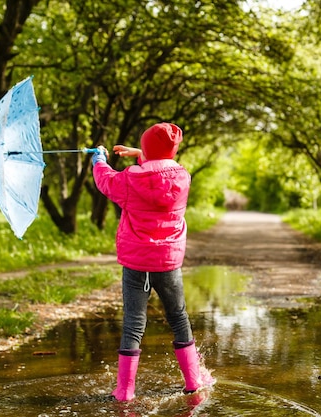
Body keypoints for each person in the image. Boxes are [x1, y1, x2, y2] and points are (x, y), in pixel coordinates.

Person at [91, 122, 215, 402]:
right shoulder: (183, 176)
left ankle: (125, 391)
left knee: (133, 324)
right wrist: (142, 153)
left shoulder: (130, 178)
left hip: (136, 261)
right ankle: (193, 380)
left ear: (146, 149)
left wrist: (99, 159)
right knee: (178, 317)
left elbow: (105, 181)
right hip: (168, 261)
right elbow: (163, 167)